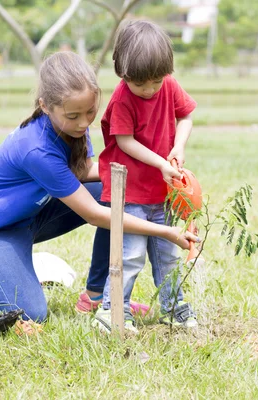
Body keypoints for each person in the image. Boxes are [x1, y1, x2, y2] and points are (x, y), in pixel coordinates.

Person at [0, 51, 198, 334]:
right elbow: (96, 215)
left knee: (114, 192)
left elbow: (82, 171)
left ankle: (97, 295)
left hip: (34, 212)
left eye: (90, 112)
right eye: (73, 116)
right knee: (30, 314)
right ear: (45, 106)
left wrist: (151, 171)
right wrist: (166, 232)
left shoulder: (70, 125)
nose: (84, 123)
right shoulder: (36, 149)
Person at [92, 20, 198, 334]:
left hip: (161, 191)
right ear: (123, 73)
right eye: (142, 84)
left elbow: (186, 115)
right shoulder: (123, 97)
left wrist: (178, 146)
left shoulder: (168, 86)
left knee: (167, 255)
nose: (150, 90)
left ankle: (175, 310)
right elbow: (125, 141)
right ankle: (113, 313)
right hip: (129, 192)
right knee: (132, 255)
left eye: (156, 81)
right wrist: (162, 164)